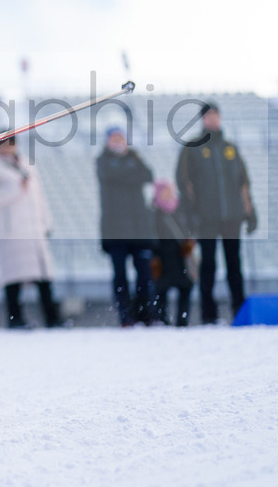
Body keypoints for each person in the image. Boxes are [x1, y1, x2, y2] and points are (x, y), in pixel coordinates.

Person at [175, 102, 256, 324]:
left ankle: (239, 312)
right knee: (208, 264)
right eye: (208, 116)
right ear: (203, 119)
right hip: (206, 218)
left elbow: (243, 182)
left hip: (232, 216)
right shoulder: (193, 147)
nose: (213, 119)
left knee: (234, 265)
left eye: (215, 115)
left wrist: (250, 211)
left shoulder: (230, 147)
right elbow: (184, 182)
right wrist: (192, 213)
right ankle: (208, 315)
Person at [0, 134, 63, 329]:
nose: (9, 147)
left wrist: (45, 222)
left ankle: (52, 318)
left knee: (43, 278)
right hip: (12, 229)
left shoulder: (26, 164)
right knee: (13, 279)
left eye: (12, 143)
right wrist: (16, 188)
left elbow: (38, 196)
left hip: (33, 229)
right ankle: (15, 319)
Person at [96, 125, 156, 327]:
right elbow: (112, 176)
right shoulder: (102, 160)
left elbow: (148, 175)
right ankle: (125, 316)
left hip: (139, 228)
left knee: (144, 274)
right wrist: (129, 172)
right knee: (120, 275)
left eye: (121, 137)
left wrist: (126, 171)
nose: (118, 141)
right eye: (114, 138)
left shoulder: (135, 158)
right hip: (115, 229)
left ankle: (145, 313)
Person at [149, 180, 195, 327]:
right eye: (165, 192)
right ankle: (162, 320)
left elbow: (190, 228)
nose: (168, 195)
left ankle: (183, 320)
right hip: (162, 258)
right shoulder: (153, 214)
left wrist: (190, 242)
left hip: (180, 257)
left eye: (170, 191)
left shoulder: (180, 210)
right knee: (161, 290)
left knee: (185, 287)